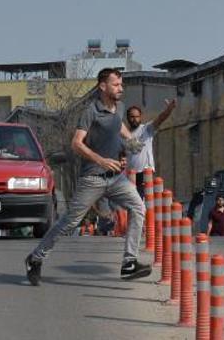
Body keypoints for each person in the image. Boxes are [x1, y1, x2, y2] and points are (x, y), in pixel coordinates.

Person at [25, 68, 152, 285]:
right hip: (92, 178)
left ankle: (129, 262)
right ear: (103, 87)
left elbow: (117, 125)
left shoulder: (119, 108)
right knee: (69, 222)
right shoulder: (90, 111)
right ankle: (35, 258)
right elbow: (76, 143)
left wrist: (128, 143)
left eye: (121, 85)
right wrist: (101, 160)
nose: (120, 88)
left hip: (115, 178)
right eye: (116, 85)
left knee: (139, 208)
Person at [125, 99, 176, 197]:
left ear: (140, 117)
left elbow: (160, 119)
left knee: (145, 199)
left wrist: (169, 110)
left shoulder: (146, 129)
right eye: (132, 117)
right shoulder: (125, 135)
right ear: (127, 118)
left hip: (145, 173)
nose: (135, 119)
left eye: (137, 117)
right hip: (131, 176)